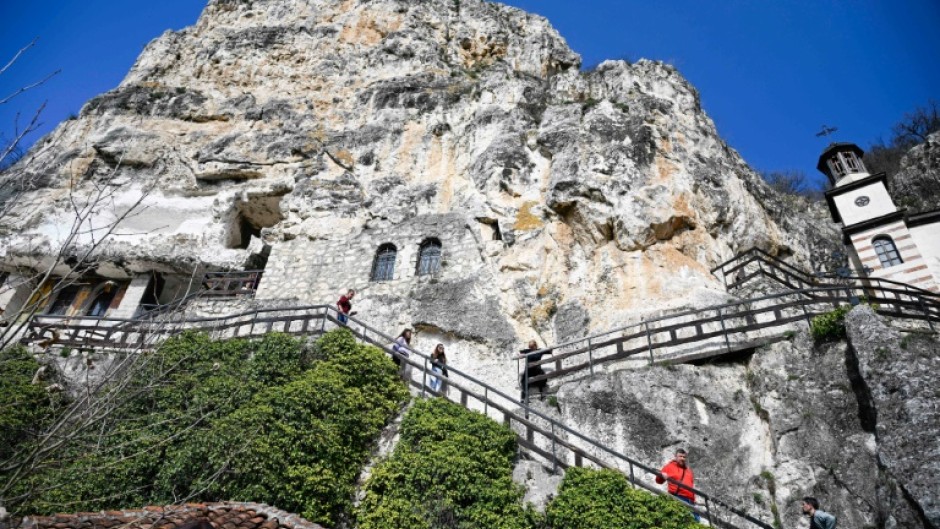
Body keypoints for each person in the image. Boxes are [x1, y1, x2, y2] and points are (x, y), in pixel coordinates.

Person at [656, 448, 699, 521]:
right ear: (676, 457)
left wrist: (694, 498)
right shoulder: (669, 466)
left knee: (696, 520)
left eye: (684, 457)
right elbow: (658, 481)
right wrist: (661, 475)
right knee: (684, 520)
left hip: (690, 501)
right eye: (680, 456)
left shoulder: (688, 471)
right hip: (678, 497)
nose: (682, 458)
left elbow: (691, 486)